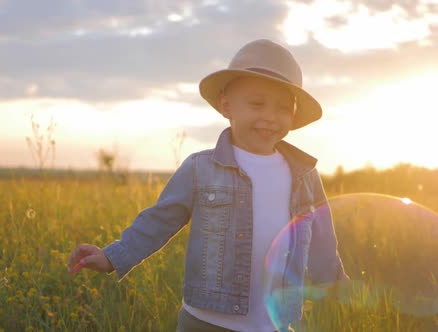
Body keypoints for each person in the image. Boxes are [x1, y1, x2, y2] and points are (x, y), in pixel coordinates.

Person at [67, 39, 348, 332]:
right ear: (227, 105)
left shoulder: (305, 175)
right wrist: (112, 256)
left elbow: (323, 240)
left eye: (282, 108)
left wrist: (339, 285)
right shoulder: (200, 169)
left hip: (274, 323)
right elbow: (159, 220)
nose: (269, 116)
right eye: (256, 103)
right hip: (205, 322)